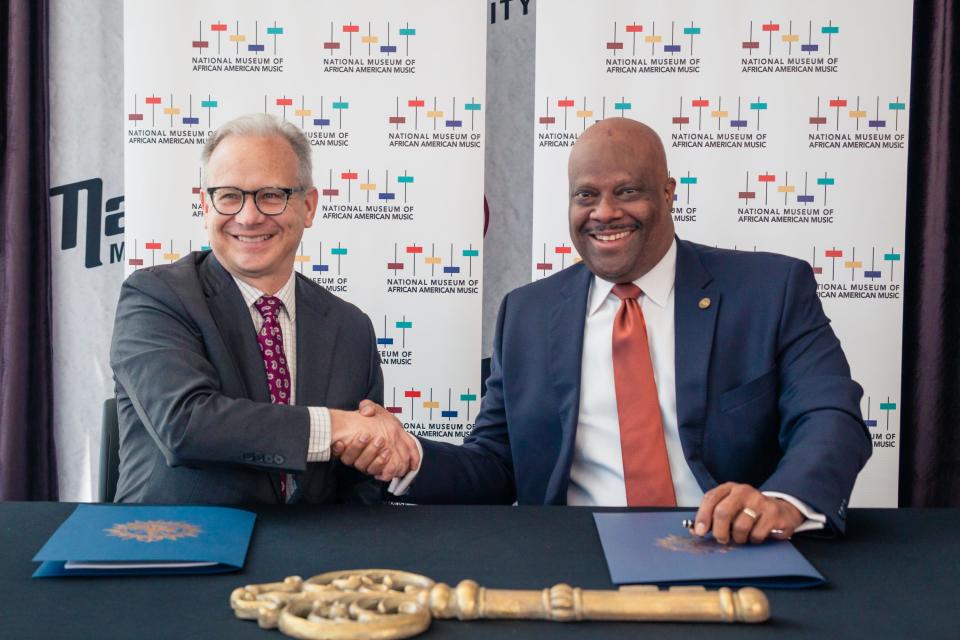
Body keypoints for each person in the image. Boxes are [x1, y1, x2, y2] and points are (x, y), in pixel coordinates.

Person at [337, 117, 872, 544]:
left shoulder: (771, 290)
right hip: (576, 556)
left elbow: (830, 416)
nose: (605, 213)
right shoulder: (526, 313)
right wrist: (412, 457)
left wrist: (781, 501)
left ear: (667, 193)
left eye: (628, 191)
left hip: (728, 546)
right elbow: (499, 465)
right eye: (586, 195)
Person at [110, 113, 419, 504]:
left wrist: (379, 454)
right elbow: (186, 425)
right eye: (229, 195)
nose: (249, 216)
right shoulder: (156, 297)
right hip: (178, 548)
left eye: (272, 195)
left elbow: (358, 482)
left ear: (308, 207)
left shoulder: (350, 327)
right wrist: (335, 426)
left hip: (312, 556)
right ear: (205, 206)